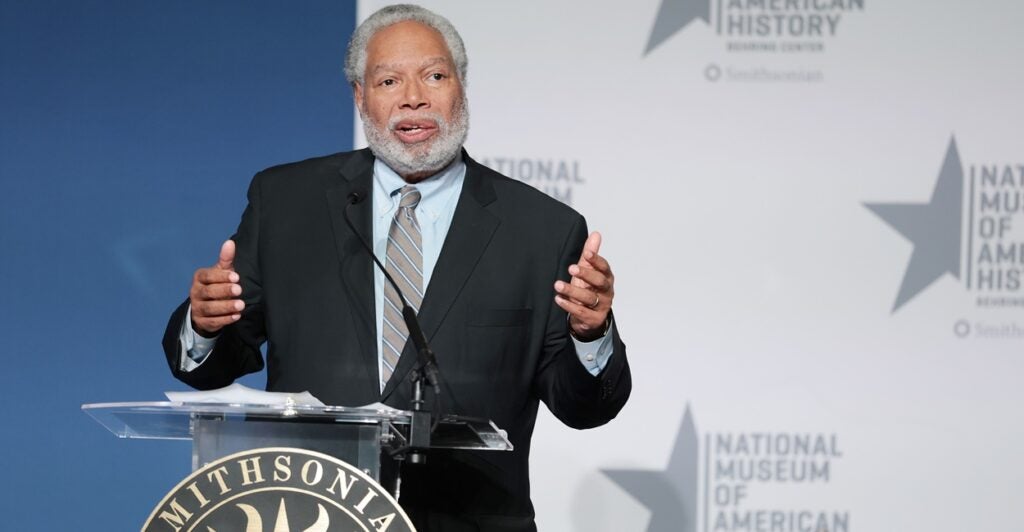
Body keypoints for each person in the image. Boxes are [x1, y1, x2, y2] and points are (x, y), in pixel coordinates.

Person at [162, 4, 630, 531]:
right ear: (361, 97)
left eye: (434, 75)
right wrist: (205, 325)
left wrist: (591, 336)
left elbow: (583, 407)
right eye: (388, 80)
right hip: (311, 517)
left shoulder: (541, 229)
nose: (414, 97)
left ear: (461, 87)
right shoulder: (286, 202)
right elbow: (215, 364)